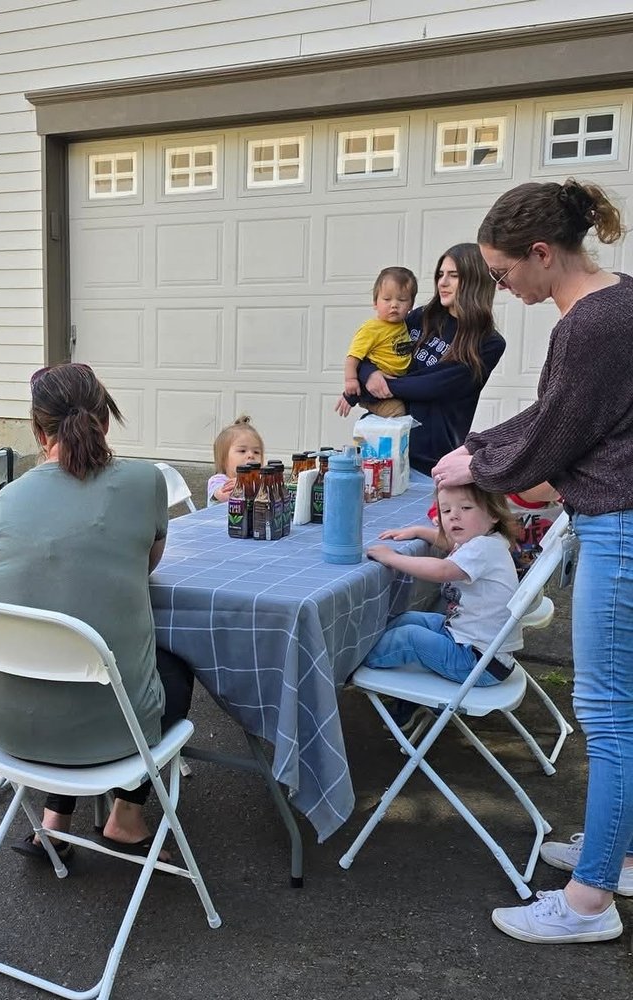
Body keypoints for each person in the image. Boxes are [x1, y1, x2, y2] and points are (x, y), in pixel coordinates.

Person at [431, 178, 633, 945]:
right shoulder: (624, 299)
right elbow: (563, 424)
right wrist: (484, 452)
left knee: (610, 719)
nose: (504, 289)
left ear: (542, 253)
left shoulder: (588, 325)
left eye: (506, 273)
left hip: (619, 528)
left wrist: (473, 460)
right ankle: (619, 855)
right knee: (627, 713)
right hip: (620, 517)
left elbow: (552, 433)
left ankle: (588, 904)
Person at [0, 362, 195, 860]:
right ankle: (126, 815)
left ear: (36, 430)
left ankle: (53, 821)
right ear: (106, 420)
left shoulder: (6, 500)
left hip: (7, 725)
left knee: (63, 656)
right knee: (169, 667)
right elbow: (147, 564)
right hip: (109, 731)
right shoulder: (143, 482)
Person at [358, 244, 505, 474]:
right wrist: (370, 374)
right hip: (381, 447)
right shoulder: (421, 317)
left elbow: (433, 386)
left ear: (476, 279)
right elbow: (369, 352)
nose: (442, 282)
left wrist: (382, 384)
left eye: (453, 276)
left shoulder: (488, 343)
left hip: (430, 462)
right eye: (440, 274)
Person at [363, 484, 521, 689]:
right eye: (446, 510)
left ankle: (357, 664)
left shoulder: (484, 548)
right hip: (472, 642)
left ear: (493, 513)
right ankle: (371, 650)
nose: (454, 516)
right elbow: (448, 543)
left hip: (477, 662)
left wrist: (392, 558)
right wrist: (419, 531)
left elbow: (442, 571)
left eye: (465, 508)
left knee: (409, 637)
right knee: (407, 619)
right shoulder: (484, 539)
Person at [335, 266, 417, 418]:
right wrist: (351, 380)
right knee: (397, 411)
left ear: (411, 305)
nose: (394, 305)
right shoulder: (372, 328)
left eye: (402, 300)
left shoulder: (403, 324)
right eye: (387, 299)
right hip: (373, 390)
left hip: (394, 385)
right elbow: (353, 356)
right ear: (375, 302)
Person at [207, 415, 265, 506]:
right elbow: (225, 496)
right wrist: (243, 485)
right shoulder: (218, 480)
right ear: (224, 459)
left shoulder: (262, 481)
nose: (251, 455)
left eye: (256, 452)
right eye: (242, 451)